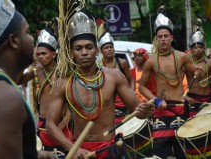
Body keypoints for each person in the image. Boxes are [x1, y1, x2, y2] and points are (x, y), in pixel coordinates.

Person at [46, 1, 155, 159]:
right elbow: (50, 125)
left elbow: (137, 109)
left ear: (96, 50)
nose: (84, 52)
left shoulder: (114, 76)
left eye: (89, 47)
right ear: (71, 52)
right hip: (80, 152)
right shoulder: (63, 83)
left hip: (109, 149)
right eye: (78, 48)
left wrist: (145, 111)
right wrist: (72, 148)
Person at [0, 0, 56, 158]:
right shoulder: (5, 98)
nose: (33, 40)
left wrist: (34, 155)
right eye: (27, 32)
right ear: (14, 41)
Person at [139, 11, 204, 158]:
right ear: (156, 38)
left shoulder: (182, 57)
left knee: (182, 153)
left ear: (171, 38)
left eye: (166, 36)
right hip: (161, 110)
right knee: (159, 154)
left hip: (180, 110)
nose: (163, 39)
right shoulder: (150, 60)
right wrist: (156, 100)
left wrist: (199, 75)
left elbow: (196, 76)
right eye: (160, 37)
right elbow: (142, 86)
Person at [18, 26, 72, 153]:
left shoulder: (63, 73)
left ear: (53, 54)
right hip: (43, 126)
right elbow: (18, 80)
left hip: (62, 125)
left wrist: (62, 125)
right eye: (38, 54)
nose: (41, 57)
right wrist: (25, 63)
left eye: (44, 53)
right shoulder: (37, 71)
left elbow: (70, 104)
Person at [98, 25, 135, 124]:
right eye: (106, 47)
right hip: (106, 105)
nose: (109, 49)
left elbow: (131, 80)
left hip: (123, 104)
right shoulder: (98, 66)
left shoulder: (122, 63)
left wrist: (130, 95)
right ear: (101, 51)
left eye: (111, 47)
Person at [186, 27, 211, 117]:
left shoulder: (210, 62)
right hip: (193, 99)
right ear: (191, 49)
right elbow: (178, 83)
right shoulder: (186, 64)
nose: (198, 49)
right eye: (195, 47)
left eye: (200, 47)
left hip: (208, 98)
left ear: (204, 48)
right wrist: (185, 97)